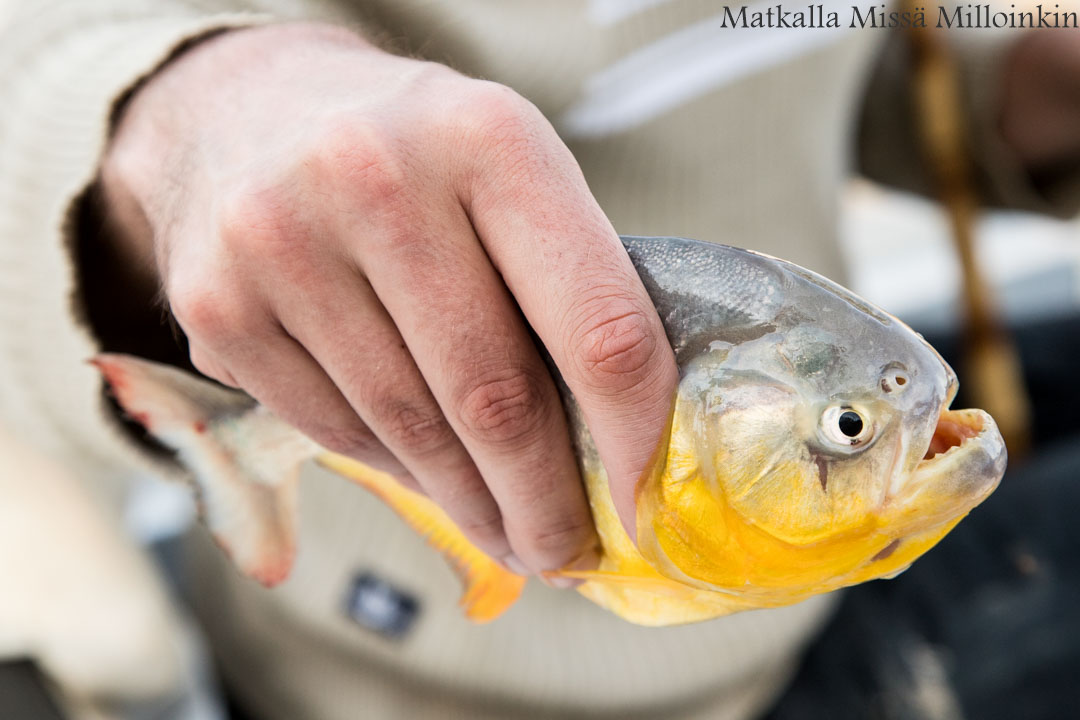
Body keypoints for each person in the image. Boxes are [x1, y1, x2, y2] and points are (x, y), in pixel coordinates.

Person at [1, 2, 1078, 718]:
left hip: (807, 611)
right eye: (850, 431)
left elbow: (831, 53)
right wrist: (185, 106)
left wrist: (1024, 78)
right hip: (397, 686)